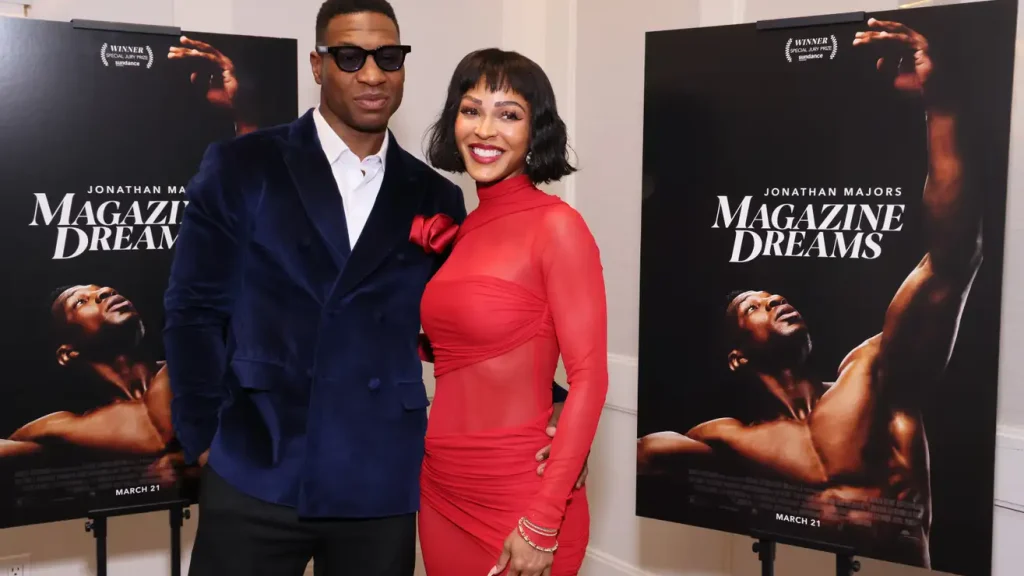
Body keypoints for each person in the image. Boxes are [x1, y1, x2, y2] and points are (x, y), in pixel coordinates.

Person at [163, 2, 577, 575]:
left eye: (388, 57)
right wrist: (203, 436)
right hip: (257, 462)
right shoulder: (243, 164)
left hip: (381, 474)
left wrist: (553, 403)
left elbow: (455, 323)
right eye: (350, 57)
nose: (372, 73)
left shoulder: (435, 195)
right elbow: (193, 310)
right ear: (317, 64)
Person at [636, 19, 976, 569]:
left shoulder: (873, 373)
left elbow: (952, 257)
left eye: (773, 296)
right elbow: (645, 456)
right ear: (736, 355)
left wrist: (942, 106)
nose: (773, 302)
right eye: (753, 305)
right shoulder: (731, 440)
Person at [417, 49, 608, 576]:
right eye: (471, 109)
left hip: (520, 498)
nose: (486, 129)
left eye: (509, 114)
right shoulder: (464, 229)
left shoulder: (558, 227)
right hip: (440, 488)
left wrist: (544, 520)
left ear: (535, 130)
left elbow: (590, 378)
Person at [5, 284, 183, 484]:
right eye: (80, 301)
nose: (105, 291)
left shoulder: (193, 369)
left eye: (105, 290)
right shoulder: (66, 428)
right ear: (68, 353)